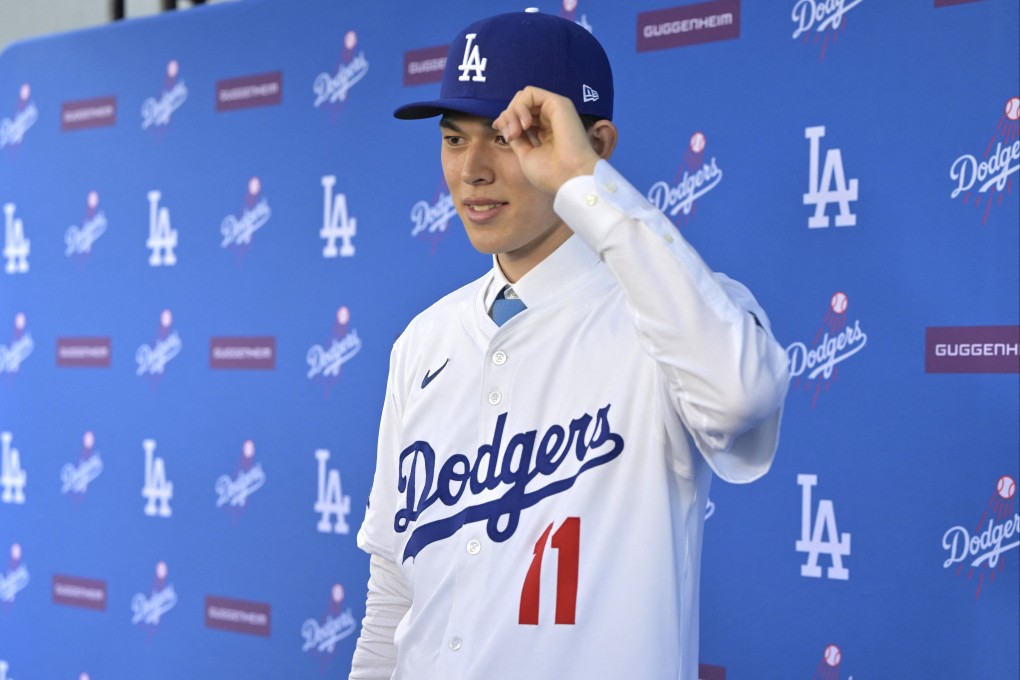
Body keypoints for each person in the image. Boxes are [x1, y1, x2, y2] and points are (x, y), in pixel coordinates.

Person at [350, 10, 789, 680]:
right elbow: (393, 589)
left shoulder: (675, 317)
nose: (470, 170)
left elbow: (741, 405)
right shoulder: (423, 340)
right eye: (452, 138)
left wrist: (586, 187)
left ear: (594, 144)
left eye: (505, 137)